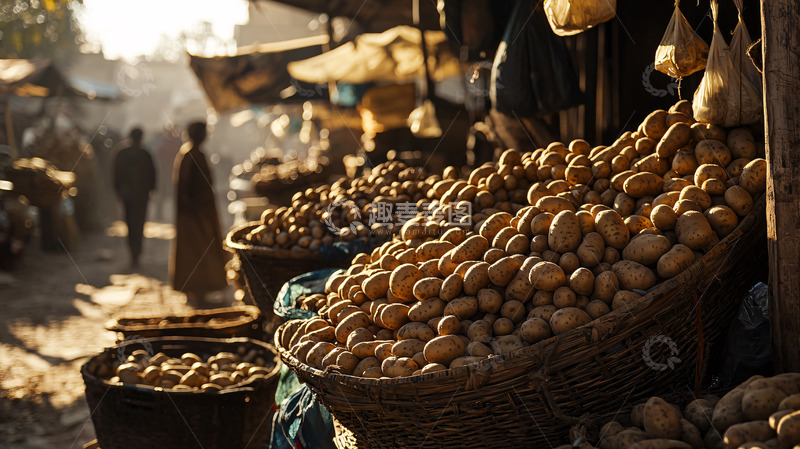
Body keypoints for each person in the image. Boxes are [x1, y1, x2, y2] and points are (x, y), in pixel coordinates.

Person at [170, 121, 227, 305]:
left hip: (202, 213)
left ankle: (202, 288)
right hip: (193, 215)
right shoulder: (189, 154)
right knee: (194, 252)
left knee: (203, 250)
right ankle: (194, 288)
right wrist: (195, 212)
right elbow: (184, 187)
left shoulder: (196, 153)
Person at [113, 127, 156, 267]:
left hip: (128, 195)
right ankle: (137, 251)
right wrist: (151, 190)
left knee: (130, 223)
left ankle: (133, 252)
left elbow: (116, 174)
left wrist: (118, 191)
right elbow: (153, 175)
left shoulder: (122, 153)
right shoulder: (145, 154)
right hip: (141, 195)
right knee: (139, 223)